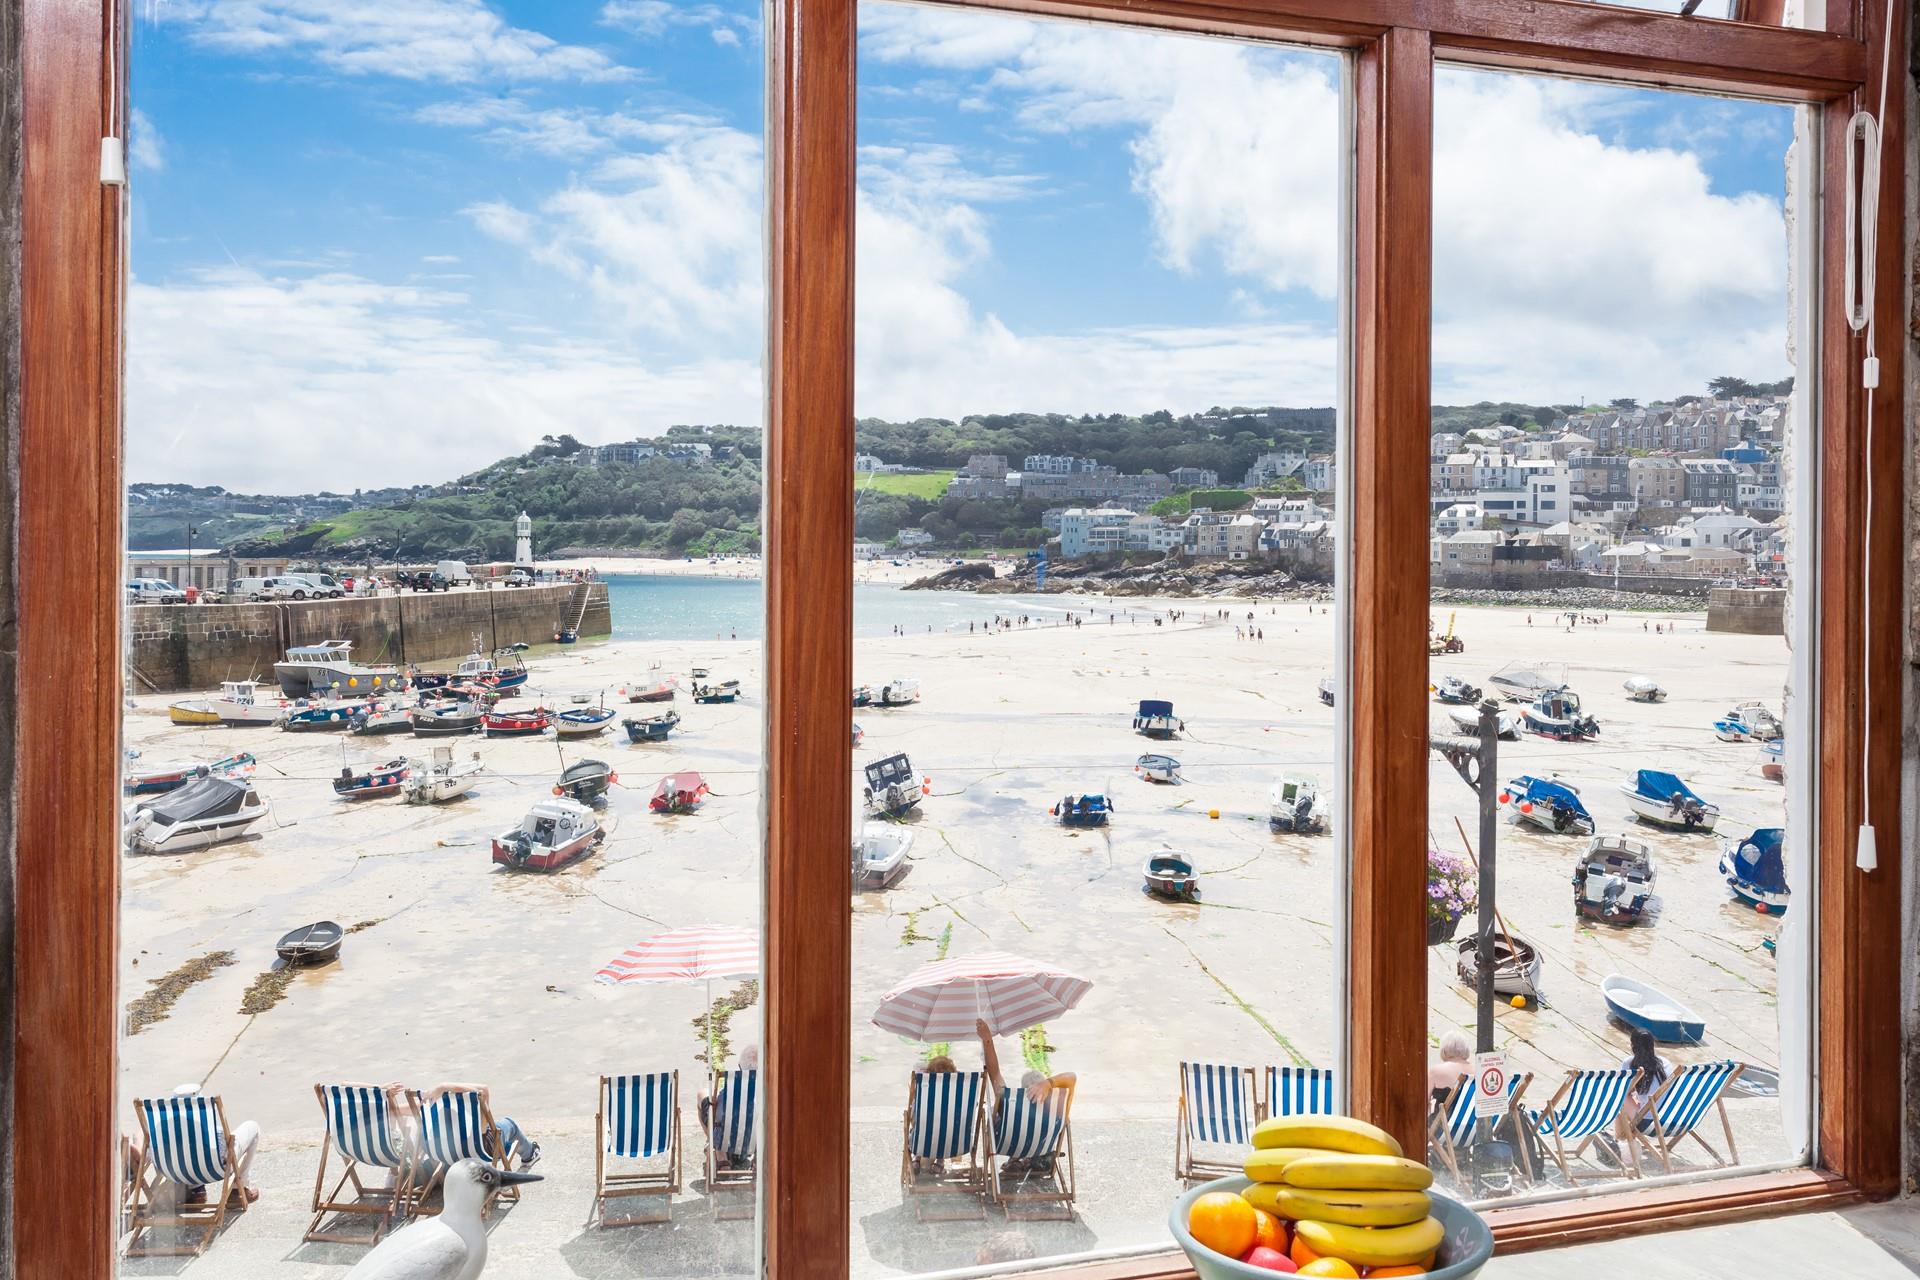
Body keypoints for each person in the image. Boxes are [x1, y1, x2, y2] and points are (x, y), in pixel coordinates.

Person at [975, 1019, 1075, 1177]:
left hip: (1011, 1145)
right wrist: (1048, 1083)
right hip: (1042, 1148)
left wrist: (987, 1039)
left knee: (999, 1119)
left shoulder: (1009, 1104)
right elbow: (1072, 1077)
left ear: (1023, 1089)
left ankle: (1014, 1159)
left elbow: (995, 1073)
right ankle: (1033, 1159)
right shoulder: (1057, 1109)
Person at [170, 1083, 261, 1206]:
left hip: (180, 1174)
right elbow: (225, 1154)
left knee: (184, 1152)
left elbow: (152, 1156)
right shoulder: (211, 1131)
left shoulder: (162, 1132)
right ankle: (237, 1191)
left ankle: (195, 1191)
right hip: (215, 1171)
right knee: (252, 1127)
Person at [699, 1043, 760, 1168]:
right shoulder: (767, 1086)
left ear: (739, 1066)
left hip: (725, 1139)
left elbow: (719, 1116)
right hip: (750, 1141)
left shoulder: (732, 1088)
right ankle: (757, 1158)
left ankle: (720, 1155)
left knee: (702, 1095)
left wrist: (714, 1102)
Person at [1427, 1031, 1472, 1104]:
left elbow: (1422, 1102)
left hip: (1445, 1115)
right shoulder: (1477, 1072)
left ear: (1444, 1051)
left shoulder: (1436, 1071)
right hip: (1469, 1115)